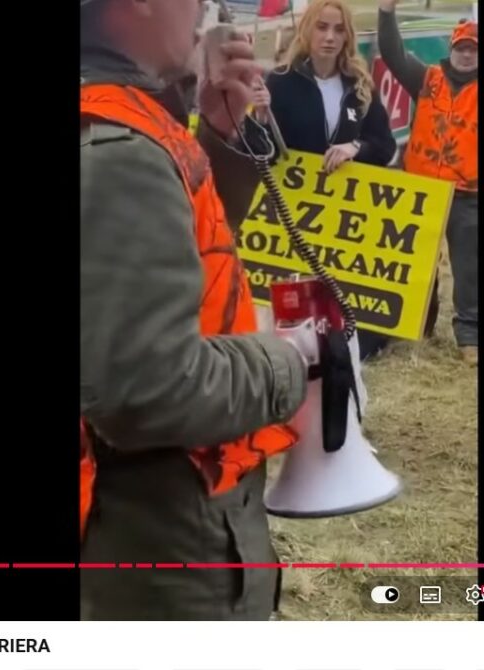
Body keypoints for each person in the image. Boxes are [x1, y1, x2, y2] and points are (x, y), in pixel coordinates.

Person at [80, 0, 310, 620]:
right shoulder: (118, 148)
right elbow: (147, 389)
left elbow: (167, 264)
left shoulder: (121, 125)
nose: (206, 7)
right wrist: (292, 359)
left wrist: (222, 140)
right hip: (162, 538)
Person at [264, 0, 398, 361]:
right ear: (307, 29)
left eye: (339, 30)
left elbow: (384, 146)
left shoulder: (359, 84)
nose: (330, 37)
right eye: (322, 27)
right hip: (296, 209)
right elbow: (263, 151)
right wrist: (259, 115)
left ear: (348, 36)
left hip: (344, 213)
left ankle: (348, 341)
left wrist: (356, 146)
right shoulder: (278, 81)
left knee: (342, 284)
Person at [378, 1, 478, 364]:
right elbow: (392, 53)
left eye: (473, 50)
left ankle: (469, 337)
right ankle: (418, 326)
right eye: (462, 48)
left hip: (468, 192)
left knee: (469, 269)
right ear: (451, 49)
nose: (467, 55)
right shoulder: (427, 78)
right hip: (422, 189)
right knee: (418, 263)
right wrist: (386, 14)